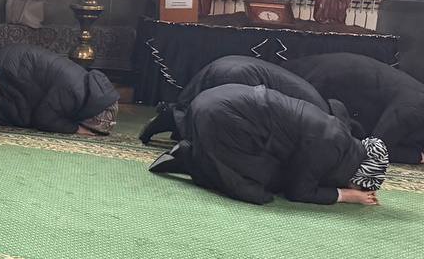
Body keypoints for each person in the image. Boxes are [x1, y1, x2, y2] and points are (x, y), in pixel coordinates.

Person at [149, 84, 388, 205]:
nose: (356, 187)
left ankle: (195, 153)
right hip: (224, 115)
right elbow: (298, 191)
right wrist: (346, 195)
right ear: (360, 172)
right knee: (256, 191)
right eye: (359, 184)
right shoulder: (330, 146)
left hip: (218, 100)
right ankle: (189, 158)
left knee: (269, 172)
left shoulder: (340, 138)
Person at [138, 55, 349, 144]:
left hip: (233, 66)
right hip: (240, 76)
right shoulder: (317, 114)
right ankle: (171, 119)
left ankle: (171, 119)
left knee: (206, 108)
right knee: (219, 116)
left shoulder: (317, 102)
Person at [286, 53, 424, 164]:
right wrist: (416, 157)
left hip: (332, 83)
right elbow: (372, 150)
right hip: (322, 80)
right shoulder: (415, 109)